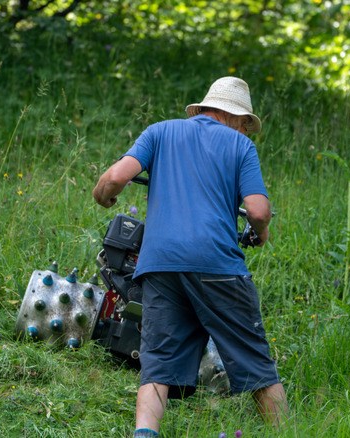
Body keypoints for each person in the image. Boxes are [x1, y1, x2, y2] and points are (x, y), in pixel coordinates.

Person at [92, 77, 287, 437]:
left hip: (160, 266)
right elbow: (258, 212)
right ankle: (285, 433)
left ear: (203, 109)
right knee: (255, 362)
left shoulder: (159, 132)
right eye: (246, 125)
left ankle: (144, 433)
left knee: (157, 365)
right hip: (217, 266)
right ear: (238, 118)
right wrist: (260, 233)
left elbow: (116, 177)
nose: (246, 131)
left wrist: (103, 195)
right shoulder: (241, 146)